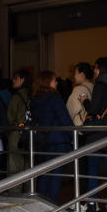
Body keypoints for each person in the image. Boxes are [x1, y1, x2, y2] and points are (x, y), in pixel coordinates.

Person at [81, 57, 107, 212]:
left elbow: (93, 109)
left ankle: (92, 203)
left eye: (96, 68)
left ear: (101, 69)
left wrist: (85, 101)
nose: (94, 71)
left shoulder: (100, 85)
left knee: (93, 169)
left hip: (97, 135)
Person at [30, 71, 74, 203]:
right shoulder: (54, 97)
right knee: (56, 175)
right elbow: (64, 119)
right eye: (54, 80)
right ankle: (52, 204)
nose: (57, 82)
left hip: (42, 141)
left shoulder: (35, 100)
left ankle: (41, 203)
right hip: (58, 141)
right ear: (47, 82)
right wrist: (73, 135)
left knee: (44, 174)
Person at [6, 69, 32, 192]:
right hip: (30, 134)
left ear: (22, 80)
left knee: (15, 167)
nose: (13, 80)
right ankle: (29, 192)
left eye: (15, 78)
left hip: (17, 134)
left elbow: (10, 118)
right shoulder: (33, 95)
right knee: (29, 166)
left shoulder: (16, 97)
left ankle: (15, 194)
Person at [66, 62, 94, 128]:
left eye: (75, 73)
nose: (74, 76)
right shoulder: (94, 87)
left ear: (82, 74)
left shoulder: (78, 89)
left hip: (80, 128)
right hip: (92, 126)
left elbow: (71, 109)